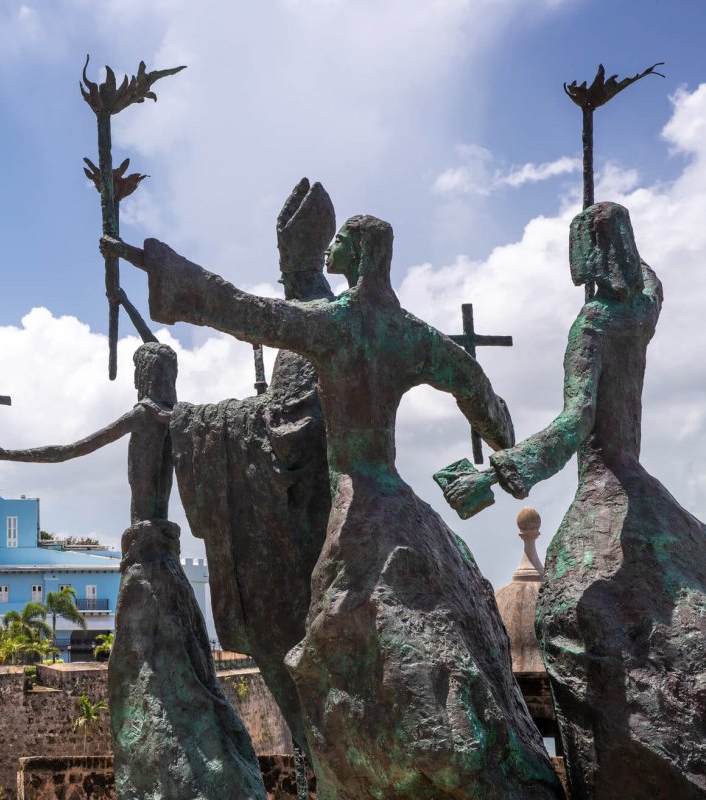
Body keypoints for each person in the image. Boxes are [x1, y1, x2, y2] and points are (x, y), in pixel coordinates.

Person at [106, 216, 562, 799]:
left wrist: (153, 262)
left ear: (362, 253)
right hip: (407, 513)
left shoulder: (334, 323)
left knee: (324, 657)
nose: (330, 250)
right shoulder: (411, 332)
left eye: (340, 242)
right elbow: (492, 410)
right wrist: (489, 470)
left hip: (356, 511)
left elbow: (234, 307)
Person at [439, 202, 706, 798]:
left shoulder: (595, 322)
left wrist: (496, 474)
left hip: (604, 496)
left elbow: (576, 421)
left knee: (564, 619)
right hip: (647, 492)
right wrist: (625, 247)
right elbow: (653, 280)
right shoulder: (642, 309)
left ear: (586, 254)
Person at [0, 343, 266, 800]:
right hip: (166, 555)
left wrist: (8, 454)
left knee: (154, 672)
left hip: (144, 557)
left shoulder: (146, 415)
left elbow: (68, 450)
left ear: (142, 376)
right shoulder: (179, 419)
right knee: (192, 669)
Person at [169, 177, 333, 764]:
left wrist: (193, 421)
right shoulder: (327, 318)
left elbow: (288, 435)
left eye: (287, 276)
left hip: (311, 524)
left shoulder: (310, 325)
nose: (285, 285)